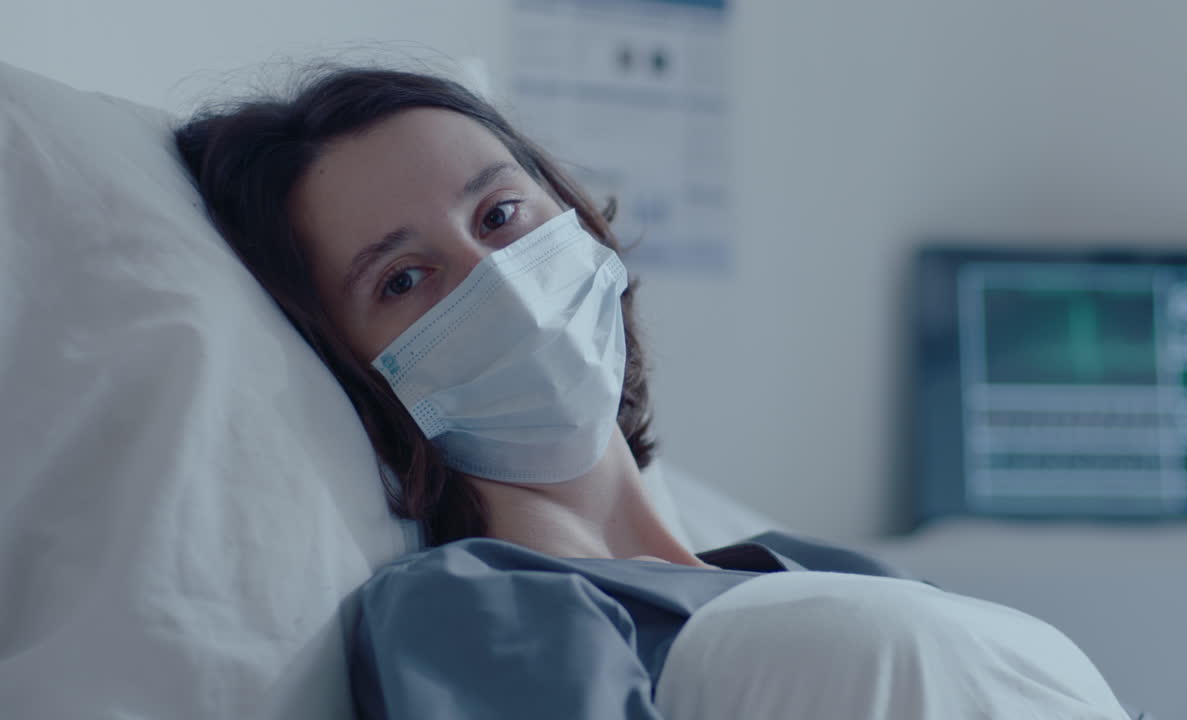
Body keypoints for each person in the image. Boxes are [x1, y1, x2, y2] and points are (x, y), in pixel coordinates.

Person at [174, 66, 1137, 720]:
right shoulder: (471, 605)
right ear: (356, 372)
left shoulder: (810, 567)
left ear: (581, 220)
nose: (493, 278)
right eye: (402, 280)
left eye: (502, 213)